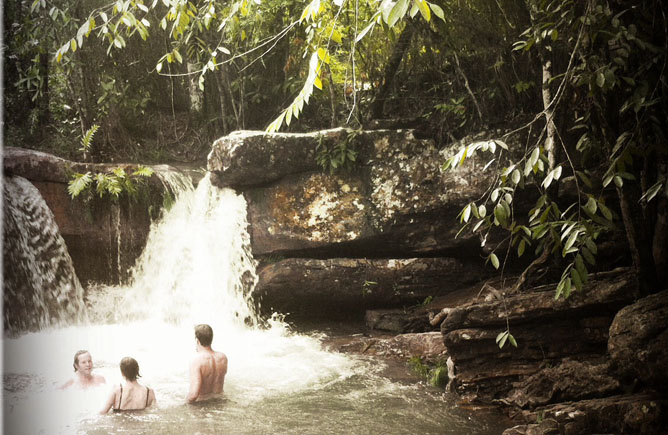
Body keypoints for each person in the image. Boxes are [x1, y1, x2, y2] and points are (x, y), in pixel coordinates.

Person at [187, 324, 228, 403]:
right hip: (219, 402)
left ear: (197, 340)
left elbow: (193, 395)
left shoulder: (197, 360)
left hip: (203, 406)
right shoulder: (223, 358)